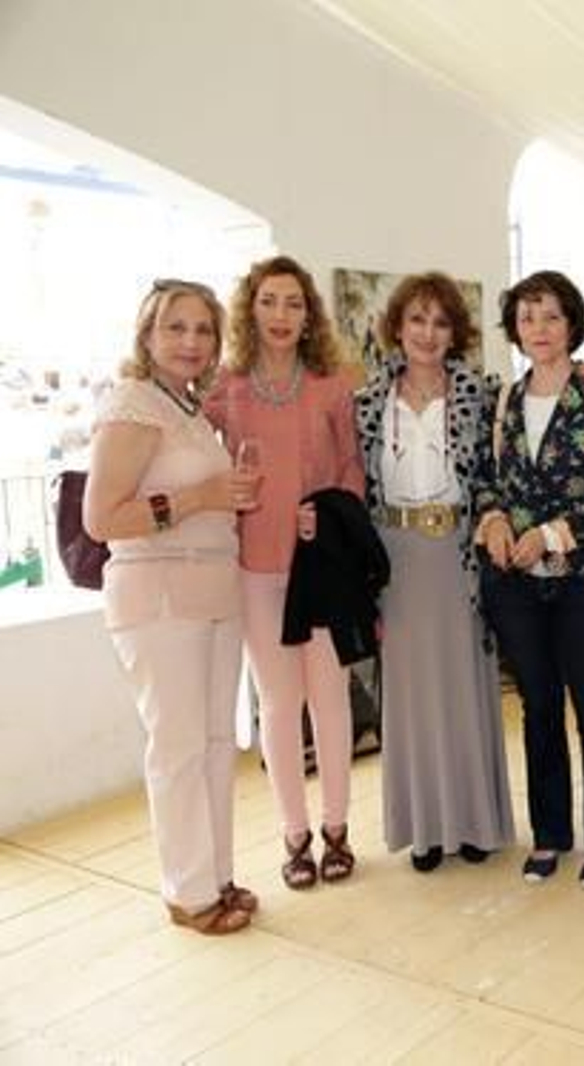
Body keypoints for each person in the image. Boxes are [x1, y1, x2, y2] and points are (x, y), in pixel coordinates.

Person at [86, 279, 261, 935]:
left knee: (218, 744)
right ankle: (187, 893)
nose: (191, 341)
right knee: (179, 746)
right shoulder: (133, 405)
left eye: (203, 330)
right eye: (176, 328)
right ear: (147, 336)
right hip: (160, 596)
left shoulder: (188, 408)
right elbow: (103, 518)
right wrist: (204, 496)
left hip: (213, 592)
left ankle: (215, 875)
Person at [476, 270, 584, 889]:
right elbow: (486, 478)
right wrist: (493, 524)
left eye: (549, 315)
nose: (538, 329)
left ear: (572, 322)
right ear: (514, 331)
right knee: (538, 710)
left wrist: (550, 535)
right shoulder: (504, 402)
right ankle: (549, 835)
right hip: (517, 586)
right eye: (526, 318)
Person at [206, 256, 365, 891]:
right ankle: (292, 834)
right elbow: (186, 450)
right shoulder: (226, 388)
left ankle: (336, 830)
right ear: (251, 308)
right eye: (269, 302)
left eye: (293, 304)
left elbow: (352, 469)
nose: (280, 316)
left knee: (330, 701)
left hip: (321, 570)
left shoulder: (332, 385)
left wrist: (328, 517)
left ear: (309, 315)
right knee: (278, 704)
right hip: (254, 568)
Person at [354, 272, 515, 872]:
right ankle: (423, 827)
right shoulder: (368, 400)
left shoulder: (481, 391)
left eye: (440, 322)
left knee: (467, 688)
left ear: (457, 333)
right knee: (410, 695)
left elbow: (499, 472)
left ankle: (473, 822)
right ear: (397, 327)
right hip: (394, 556)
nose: (427, 333)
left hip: (459, 551)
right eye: (416, 320)